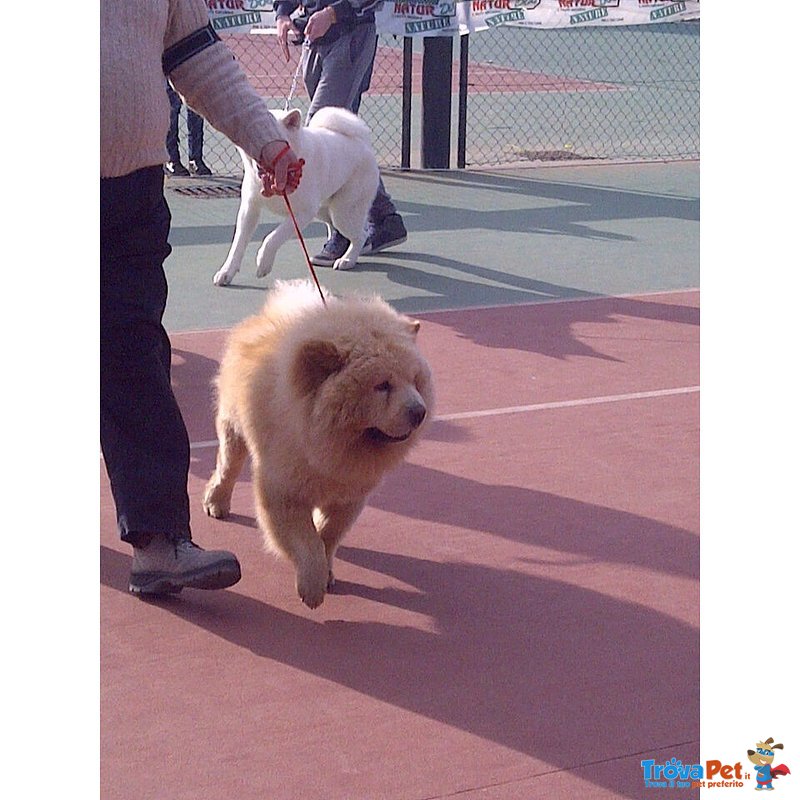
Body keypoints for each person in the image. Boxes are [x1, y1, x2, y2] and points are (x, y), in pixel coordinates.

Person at [101, 0, 304, 596]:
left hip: (131, 191)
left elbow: (199, 58)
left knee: (135, 357)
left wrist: (267, 141)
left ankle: (160, 544)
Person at [274, 0, 408, 266]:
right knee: (345, 141)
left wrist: (333, 13)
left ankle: (342, 234)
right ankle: (384, 219)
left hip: (351, 33)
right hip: (314, 40)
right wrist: (283, 13)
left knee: (319, 131)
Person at [165, 81, 211, 176]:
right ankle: (171, 160)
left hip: (194, 69)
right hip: (169, 70)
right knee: (172, 106)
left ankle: (195, 159)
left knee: (196, 106)